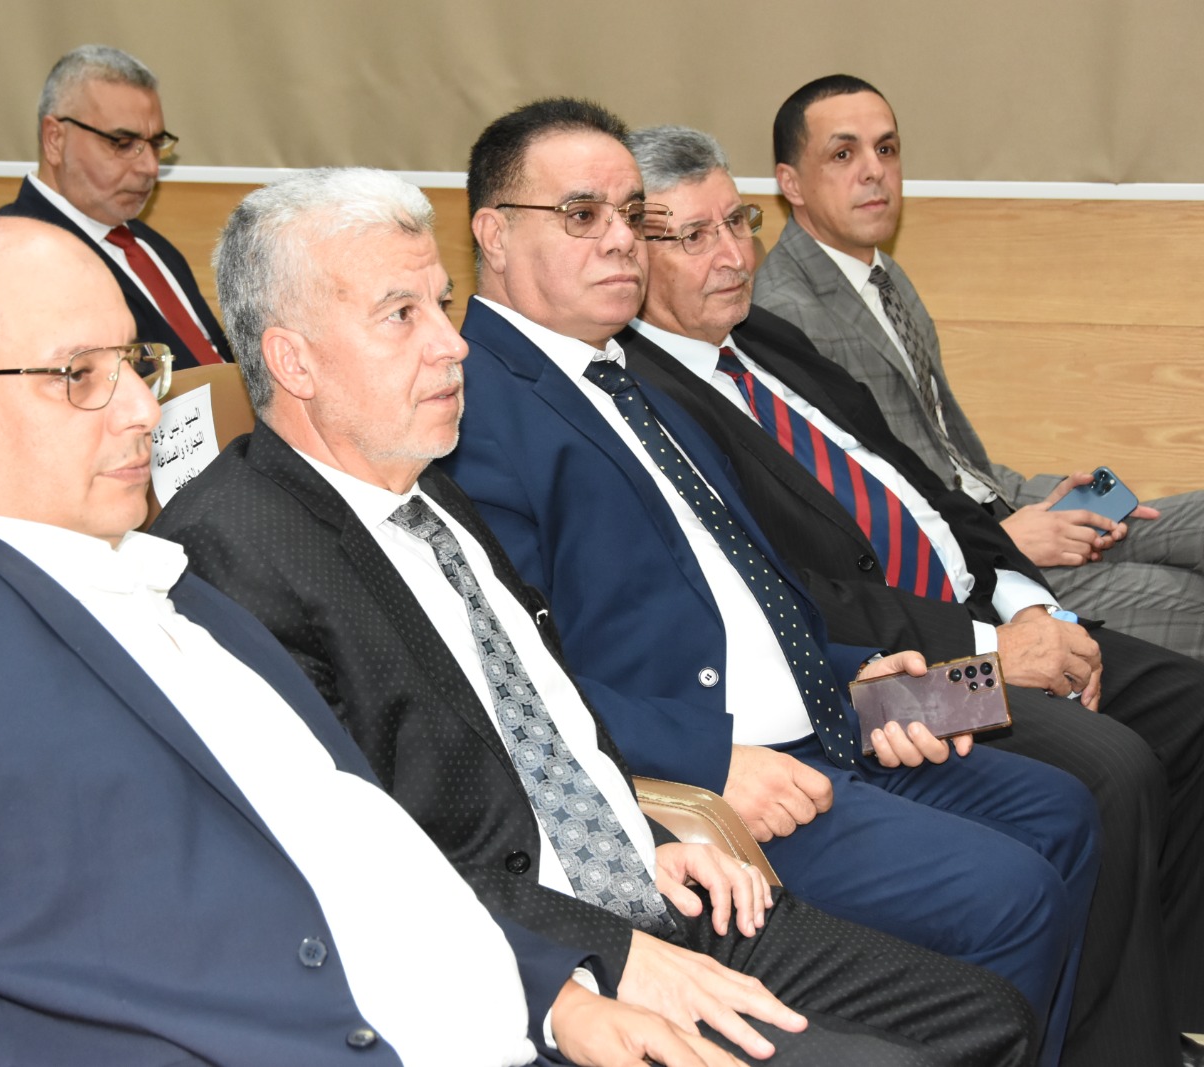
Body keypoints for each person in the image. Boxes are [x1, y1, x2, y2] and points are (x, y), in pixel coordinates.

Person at [0, 213, 729, 1067]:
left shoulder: (185, 584)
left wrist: (552, 996)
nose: (143, 406)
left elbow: (347, 841)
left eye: (136, 362)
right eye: (78, 375)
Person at [152, 166, 1035, 1066]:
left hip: (650, 871)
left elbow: (541, 717)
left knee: (989, 1015)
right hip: (528, 959)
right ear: (294, 360)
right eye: (400, 316)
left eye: (441, 305)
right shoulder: (226, 555)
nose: (452, 345)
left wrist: (641, 838)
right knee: (964, 959)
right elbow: (345, 861)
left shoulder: (428, 489)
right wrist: (600, 947)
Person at [439, 96, 1100, 1065]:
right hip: (721, 764)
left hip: (833, 702)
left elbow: (750, 587)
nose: (620, 240)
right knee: (1011, 890)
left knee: (1067, 803)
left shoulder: (627, 376)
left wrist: (863, 669)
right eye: (582, 214)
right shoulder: (473, 409)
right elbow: (508, 672)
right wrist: (710, 760)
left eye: (630, 214)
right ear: (493, 234)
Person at [618, 122, 1204, 1067]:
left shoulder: (763, 338)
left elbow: (933, 494)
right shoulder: (644, 396)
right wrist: (990, 652)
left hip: (977, 618)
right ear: (626, 252)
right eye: (692, 236)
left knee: (1186, 705)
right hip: (888, 676)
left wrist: (1028, 604)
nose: (732, 256)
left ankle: (1166, 1012)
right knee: (1107, 768)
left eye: (736, 223)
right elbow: (809, 595)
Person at [753, 74, 1204, 664]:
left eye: (886, 148)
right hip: (971, 567)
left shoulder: (882, 275)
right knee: (1190, 599)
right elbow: (853, 522)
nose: (874, 171)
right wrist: (1003, 539)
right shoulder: (779, 314)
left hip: (1002, 511)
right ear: (791, 183)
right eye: (843, 154)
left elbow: (952, 456)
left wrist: (1046, 499)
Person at [0, 44, 232, 369]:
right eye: (122, 144)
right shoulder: (16, 258)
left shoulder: (146, 244)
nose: (150, 167)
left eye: (155, 144)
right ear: (55, 140)